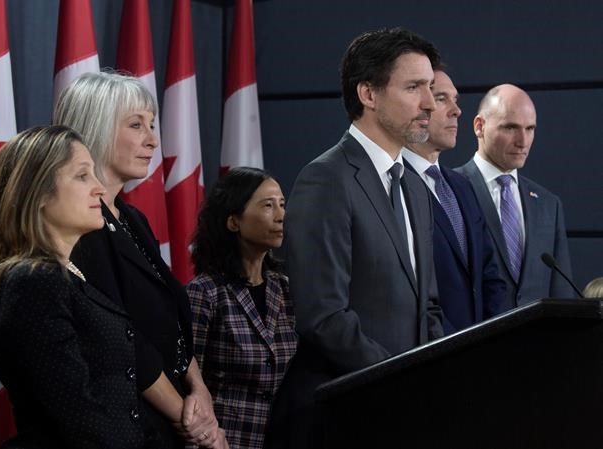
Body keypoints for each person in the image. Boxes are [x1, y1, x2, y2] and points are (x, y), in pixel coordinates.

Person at [281, 27, 444, 448]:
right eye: (414, 87)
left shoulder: (417, 188)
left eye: (430, 87)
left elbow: (428, 305)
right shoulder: (325, 179)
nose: (430, 103)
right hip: (342, 416)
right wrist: (397, 378)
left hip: (405, 414)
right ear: (368, 94)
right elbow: (323, 316)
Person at [0, 125, 166, 448]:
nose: (99, 188)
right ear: (38, 192)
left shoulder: (63, 275)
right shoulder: (33, 282)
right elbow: (80, 418)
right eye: (82, 176)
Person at [53, 72, 226, 449]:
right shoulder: (82, 227)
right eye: (136, 125)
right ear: (93, 127)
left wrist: (199, 389)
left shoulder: (133, 219)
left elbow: (170, 322)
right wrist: (194, 423)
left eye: (152, 124)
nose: (152, 139)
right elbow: (123, 342)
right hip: (131, 427)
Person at [186, 167, 298, 449]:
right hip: (223, 441)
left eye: (282, 204)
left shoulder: (285, 288)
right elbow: (187, 384)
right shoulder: (205, 292)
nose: (281, 215)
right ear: (234, 221)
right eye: (268, 205)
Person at [402, 70, 507, 333]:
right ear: (418, 107)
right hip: (431, 355)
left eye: (455, 99)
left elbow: (490, 275)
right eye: (442, 98)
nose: (457, 110)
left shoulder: (462, 186)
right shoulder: (394, 183)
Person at [456, 84, 574, 308]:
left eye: (530, 129)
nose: (523, 141)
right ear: (479, 126)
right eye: (511, 128)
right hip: (475, 340)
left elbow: (562, 295)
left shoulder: (549, 205)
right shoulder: (449, 190)